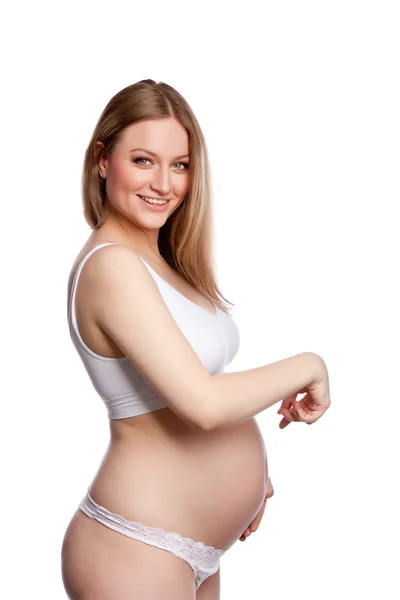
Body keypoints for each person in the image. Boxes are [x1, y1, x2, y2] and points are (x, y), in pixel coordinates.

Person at [61, 79, 331, 599]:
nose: (164, 182)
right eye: (143, 160)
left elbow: (198, 379)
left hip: (190, 546)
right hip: (135, 547)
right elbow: (202, 404)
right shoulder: (111, 265)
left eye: (180, 165)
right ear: (102, 159)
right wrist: (310, 363)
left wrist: (250, 479)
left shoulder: (159, 260)